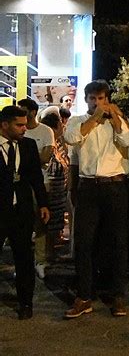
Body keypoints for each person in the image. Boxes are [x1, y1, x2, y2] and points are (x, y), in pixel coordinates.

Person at [63, 80, 129, 319]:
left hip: (115, 186)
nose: (97, 103)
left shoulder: (120, 120)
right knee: (84, 243)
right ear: (86, 100)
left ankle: (118, 296)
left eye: (101, 99)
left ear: (108, 99)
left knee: (118, 242)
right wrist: (94, 118)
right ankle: (84, 296)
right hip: (89, 187)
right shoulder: (77, 121)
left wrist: (115, 118)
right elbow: (72, 139)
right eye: (93, 99)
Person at [0, 106, 49, 319]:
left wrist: (43, 204)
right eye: (19, 125)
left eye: (24, 124)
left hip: (21, 210)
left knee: (24, 257)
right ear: (4, 125)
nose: (24, 129)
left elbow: (36, 178)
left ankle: (26, 302)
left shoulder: (28, 146)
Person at [17, 98, 55, 279]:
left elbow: (46, 156)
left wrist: (25, 161)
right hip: (20, 185)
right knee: (20, 224)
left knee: (41, 222)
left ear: (33, 112)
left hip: (41, 181)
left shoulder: (45, 131)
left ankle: (40, 261)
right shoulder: (18, 134)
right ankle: (21, 261)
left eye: (24, 111)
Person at [40, 112, 70, 258]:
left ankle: (51, 251)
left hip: (59, 188)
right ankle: (47, 253)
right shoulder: (50, 144)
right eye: (60, 124)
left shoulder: (58, 142)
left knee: (56, 220)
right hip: (52, 187)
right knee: (50, 222)